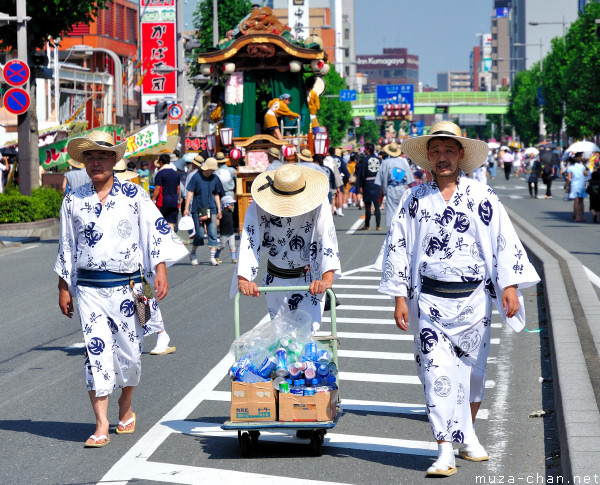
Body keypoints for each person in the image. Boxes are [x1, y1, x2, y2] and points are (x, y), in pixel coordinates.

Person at [375, 121, 540, 477]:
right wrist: (399, 296)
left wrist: (509, 284)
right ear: (427, 158)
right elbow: (398, 248)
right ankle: (444, 448)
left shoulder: (483, 196)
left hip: (473, 302)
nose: (442, 157)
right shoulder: (413, 198)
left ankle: (467, 435)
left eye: (448, 150)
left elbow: (503, 241)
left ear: (461, 155)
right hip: (430, 302)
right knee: (437, 375)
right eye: (435, 151)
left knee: (472, 375)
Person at [55, 131, 187, 448]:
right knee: (96, 353)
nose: (95, 161)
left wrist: (160, 269)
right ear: (83, 162)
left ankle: (124, 407)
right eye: (89, 156)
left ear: (115, 159)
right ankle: (101, 424)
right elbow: (66, 245)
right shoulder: (73, 199)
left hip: (128, 288)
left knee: (131, 358)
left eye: (102, 155)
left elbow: (155, 232)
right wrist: (63, 286)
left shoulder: (134, 195)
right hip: (88, 290)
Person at [232, 164, 341, 333]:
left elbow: (326, 236)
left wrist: (327, 278)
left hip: (309, 279)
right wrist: (244, 278)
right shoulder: (260, 205)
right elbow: (249, 239)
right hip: (276, 279)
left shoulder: (319, 203)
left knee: (308, 335)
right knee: (281, 335)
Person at [184, 157, 225, 266]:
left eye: (213, 169)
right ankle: (193, 253)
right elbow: (190, 193)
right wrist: (186, 208)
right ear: (206, 168)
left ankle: (212, 258)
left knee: (213, 233)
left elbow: (216, 194)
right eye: (211, 169)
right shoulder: (196, 177)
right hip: (197, 209)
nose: (213, 171)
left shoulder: (215, 178)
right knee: (200, 234)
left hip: (211, 209)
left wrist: (219, 208)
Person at [375, 142, 414, 228]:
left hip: (391, 187)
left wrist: (384, 190)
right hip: (402, 187)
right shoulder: (403, 162)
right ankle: (403, 226)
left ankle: (393, 227)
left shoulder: (385, 163)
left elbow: (382, 178)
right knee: (402, 208)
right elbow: (410, 179)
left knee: (391, 208)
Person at [152, 154, 181, 232]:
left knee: (161, 221)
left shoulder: (160, 173)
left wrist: (153, 199)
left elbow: (157, 188)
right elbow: (178, 188)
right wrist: (177, 198)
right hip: (174, 201)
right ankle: (171, 239)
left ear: (161, 162)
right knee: (171, 222)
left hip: (163, 202)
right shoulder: (176, 174)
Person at [357, 142, 382, 230]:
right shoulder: (379, 159)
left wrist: (360, 185)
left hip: (368, 183)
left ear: (367, 150)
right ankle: (378, 225)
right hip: (377, 183)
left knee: (368, 205)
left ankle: (367, 225)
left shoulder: (365, 159)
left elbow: (361, 173)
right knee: (377, 205)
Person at [566, 152, 590, 222]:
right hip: (581, 184)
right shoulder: (581, 166)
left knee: (576, 202)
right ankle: (582, 216)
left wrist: (567, 186)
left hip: (574, 185)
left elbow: (569, 178)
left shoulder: (570, 168)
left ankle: (577, 217)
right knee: (581, 201)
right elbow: (586, 174)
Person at [215, 195, 237, 263]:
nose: (232, 205)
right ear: (226, 205)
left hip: (231, 233)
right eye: (231, 204)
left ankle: (233, 258)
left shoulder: (231, 212)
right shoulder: (221, 213)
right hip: (224, 233)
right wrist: (217, 225)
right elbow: (218, 219)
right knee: (222, 246)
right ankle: (216, 256)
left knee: (232, 246)